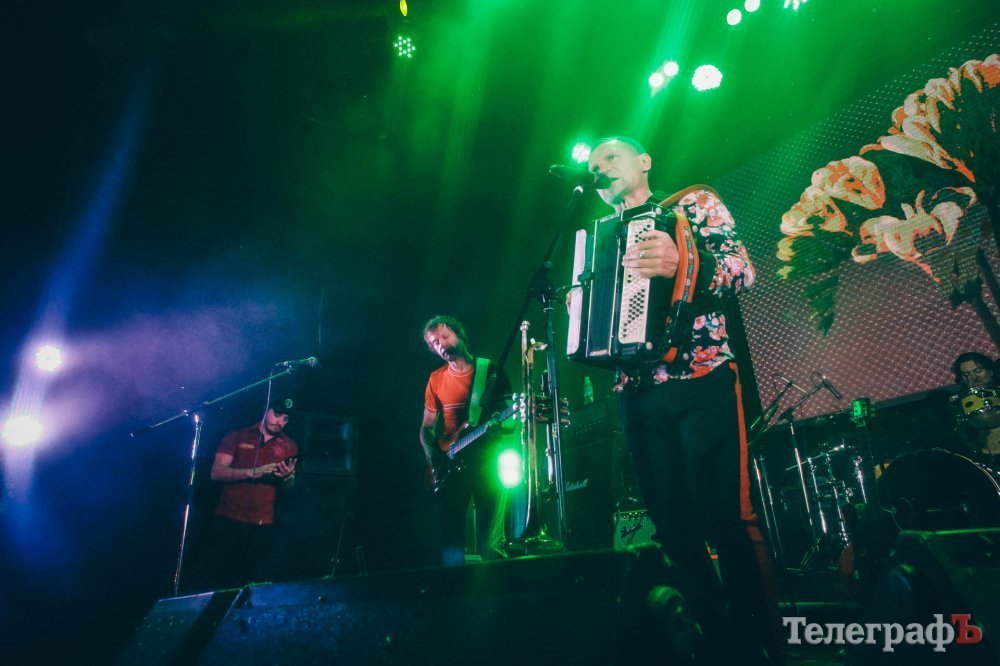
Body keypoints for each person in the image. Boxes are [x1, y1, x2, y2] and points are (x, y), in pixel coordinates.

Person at [582, 136, 780, 660]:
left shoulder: (692, 203)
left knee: (728, 519)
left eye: (610, 157)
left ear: (644, 161)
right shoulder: (602, 238)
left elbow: (743, 270)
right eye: (593, 166)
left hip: (702, 375)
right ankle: (716, 646)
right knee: (672, 530)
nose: (600, 169)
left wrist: (684, 264)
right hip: (636, 393)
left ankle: (763, 648)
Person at [419, 315, 510, 565]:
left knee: (491, 543)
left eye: (444, 337)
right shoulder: (436, 378)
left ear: (459, 334)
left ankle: (495, 581)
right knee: (450, 542)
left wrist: (499, 427)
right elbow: (425, 429)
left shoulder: (490, 370)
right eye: (434, 343)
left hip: (486, 460)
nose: (441, 345)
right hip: (450, 464)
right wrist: (434, 458)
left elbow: (511, 419)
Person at [200, 398, 298, 589]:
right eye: (277, 414)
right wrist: (251, 472)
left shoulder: (289, 445)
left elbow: (289, 487)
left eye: (285, 419)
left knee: (253, 583)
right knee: (218, 580)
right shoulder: (237, 435)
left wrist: (288, 478)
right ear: (266, 410)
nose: (280, 422)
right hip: (228, 519)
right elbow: (216, 472)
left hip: (263, 525)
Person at [951, 351, 1000, 458]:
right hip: (986, 454)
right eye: (966, 375)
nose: (973, 377)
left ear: (991, 371)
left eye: (978, 371)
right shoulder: (958, 401)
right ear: (961, 379)